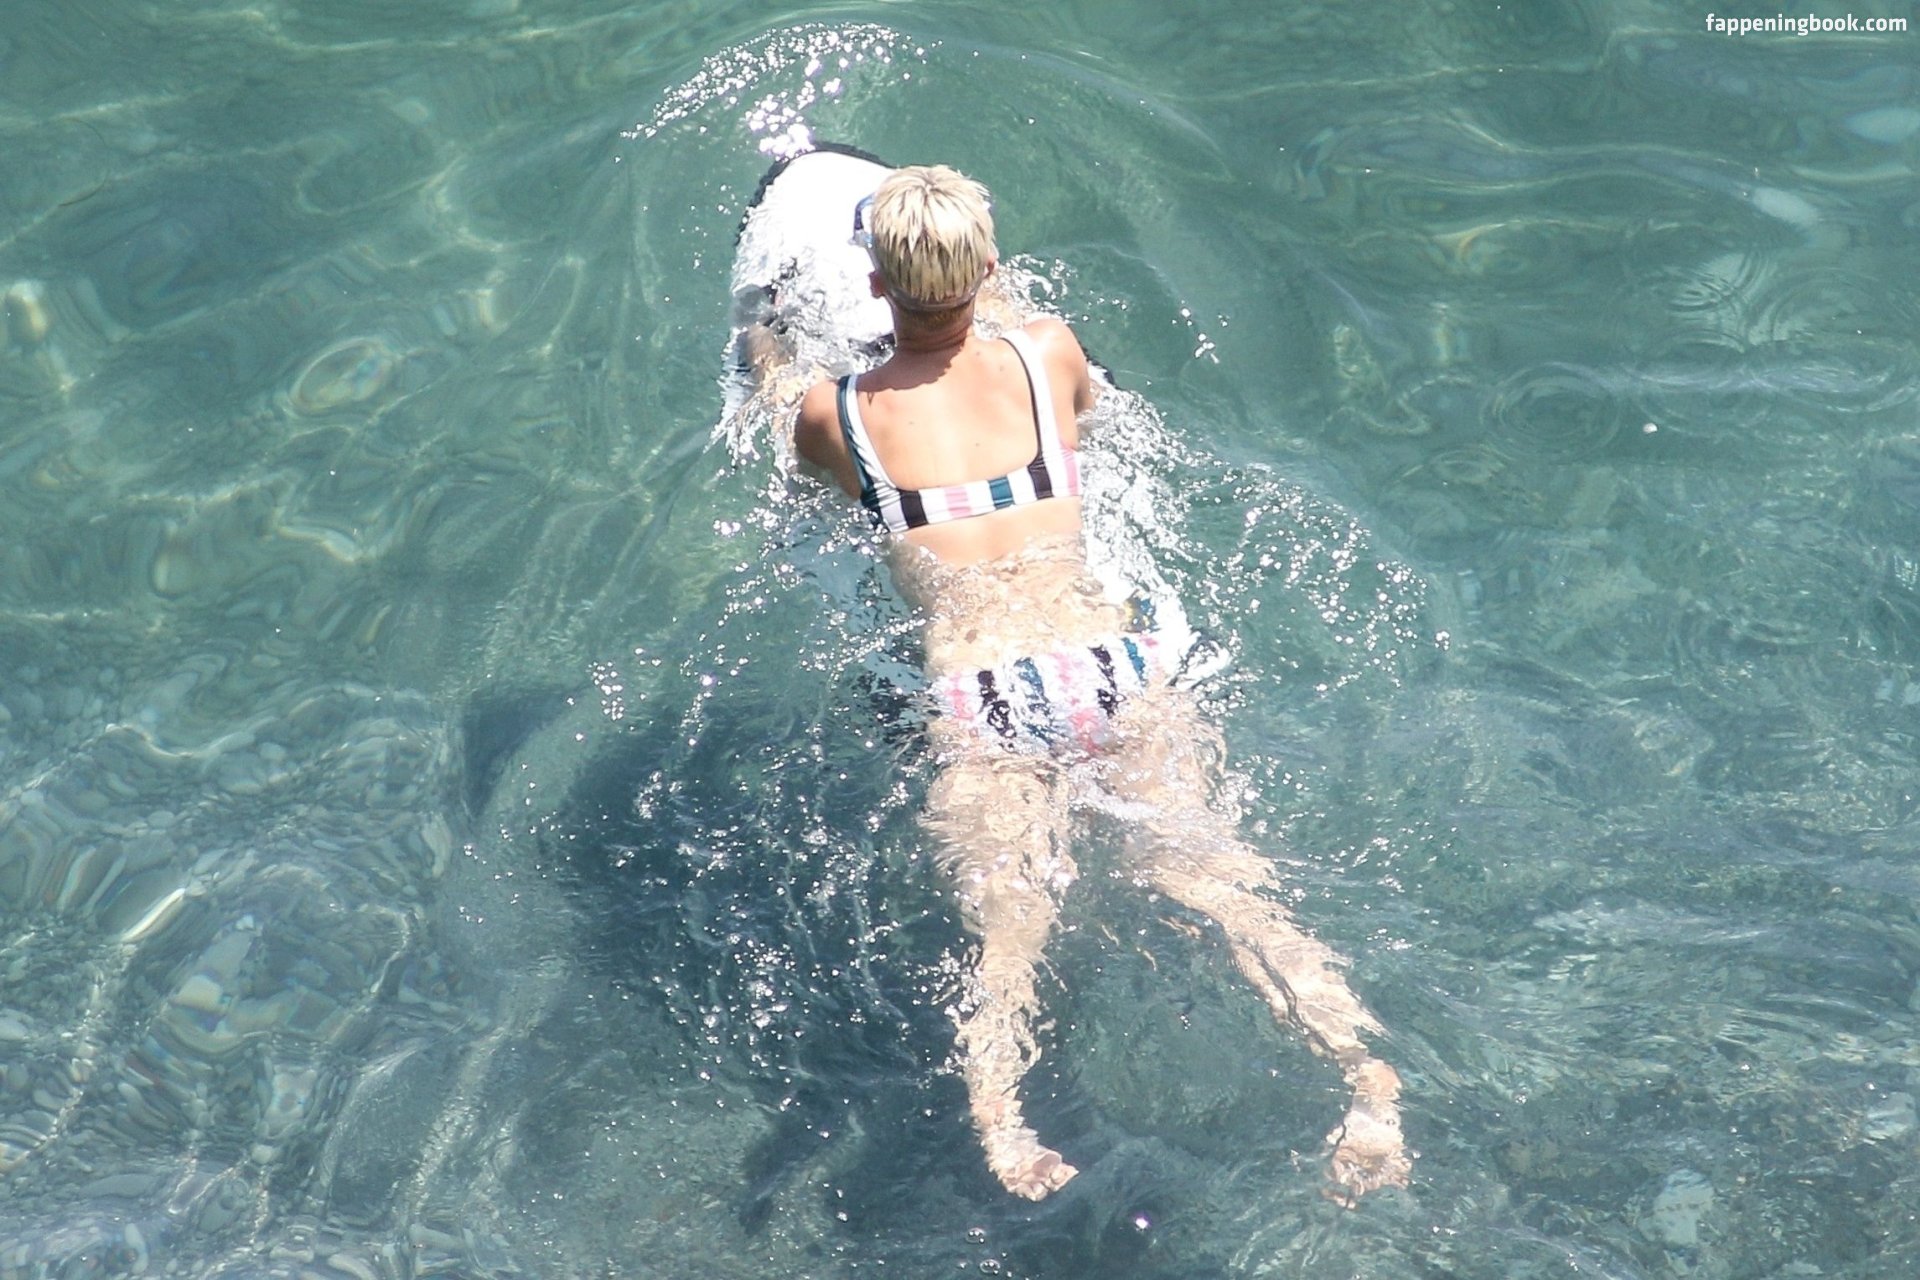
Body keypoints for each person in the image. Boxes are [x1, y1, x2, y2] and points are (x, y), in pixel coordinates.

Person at [791, 164, 1410, 1202]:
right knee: (1222, 883)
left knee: (1010, 929)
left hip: (980, 690)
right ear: (990, 267)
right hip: (1107, 666)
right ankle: (1366, 1079)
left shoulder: (837, 412)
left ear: (873, 279)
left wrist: (770, 352)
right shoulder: (1049, 353)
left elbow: (814, 478)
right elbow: (1066, 401)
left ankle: (1005, 1123)